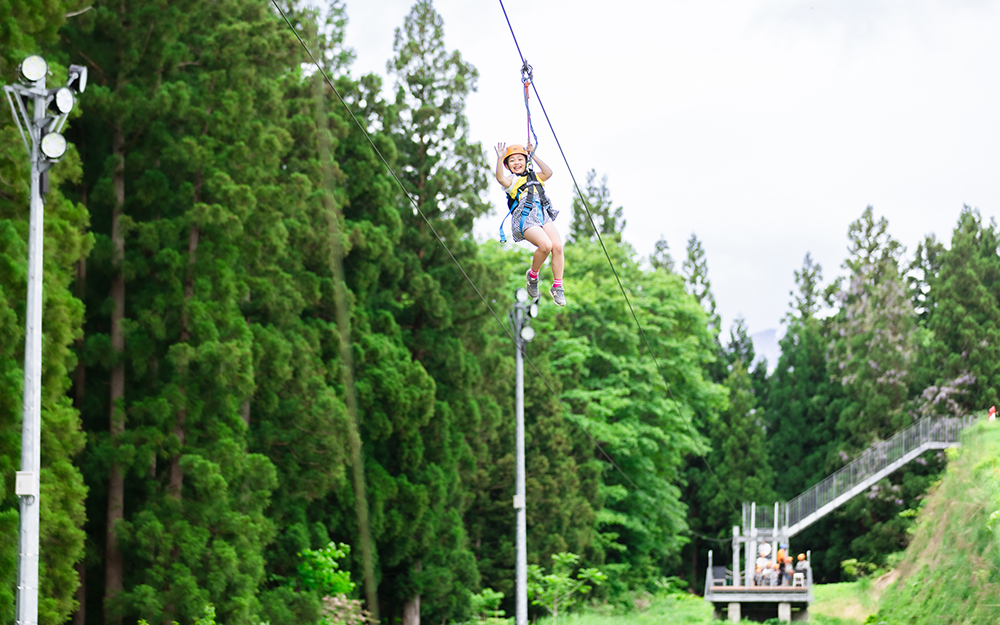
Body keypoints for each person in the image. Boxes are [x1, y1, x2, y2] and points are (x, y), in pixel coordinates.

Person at [495, 142, 565, 306]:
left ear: (526, 161)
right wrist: (499, 159)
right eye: (512, 161)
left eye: (520, 159)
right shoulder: (511, 181)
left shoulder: (535, 176)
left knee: (558, 246)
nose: (517, 162)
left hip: (543, 214)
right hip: (526, 217)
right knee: (545, 245)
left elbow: (548, 172)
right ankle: (533, 276)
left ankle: (557, 286)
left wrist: (533, 155)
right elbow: (500, 177)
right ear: (508, 166)